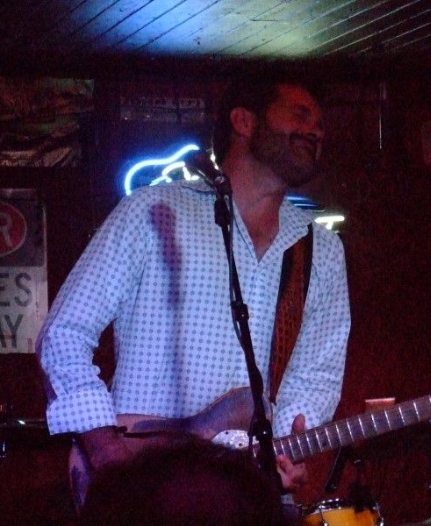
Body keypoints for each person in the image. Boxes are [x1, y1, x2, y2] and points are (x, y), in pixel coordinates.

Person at [36, 74, 351, 512]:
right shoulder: (153, 210)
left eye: (320, 123)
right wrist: (103, 445)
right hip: (146, 492)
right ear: (244, 121)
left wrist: (287, 448)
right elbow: (64, 333)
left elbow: (314, 376)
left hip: (238, 496)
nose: (316, 131)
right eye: (300, 115)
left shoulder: (320, 250)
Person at [78, 433, 291, 526]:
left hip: (231, 493)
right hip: (139, 481)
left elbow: (306, 380)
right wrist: (105, 446)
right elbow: (67, 342)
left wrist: (282, 456)